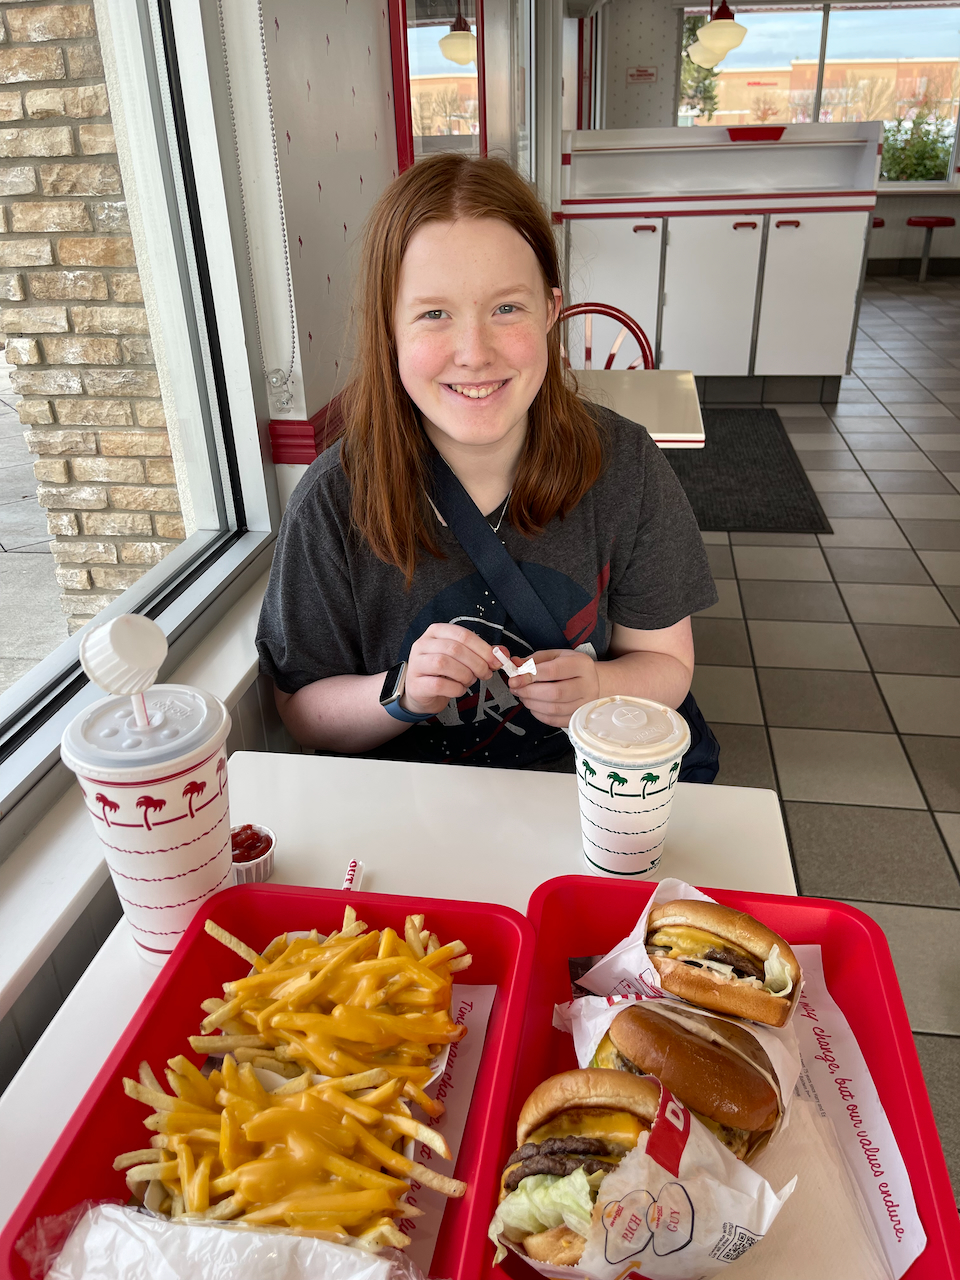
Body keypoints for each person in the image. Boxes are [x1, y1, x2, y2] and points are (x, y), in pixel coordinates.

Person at [256, 153, 718, 771]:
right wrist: (402, 691)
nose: (473, 353)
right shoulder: (333, 502)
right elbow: (302, 709)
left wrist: (600, 687)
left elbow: (666, 665)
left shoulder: (625, 467)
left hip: (588, 806)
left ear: (551, 311)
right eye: (433, 314)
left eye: (506, 308)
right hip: (420, 824)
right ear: (388, 329)